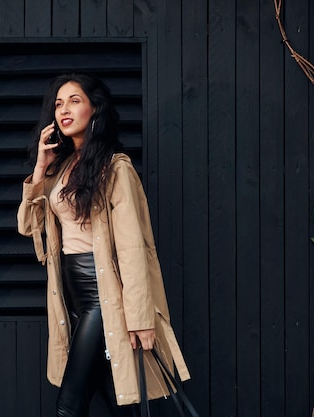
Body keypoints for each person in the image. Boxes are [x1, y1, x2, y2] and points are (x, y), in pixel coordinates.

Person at [17, 73, 190, 417]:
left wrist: (141, 317)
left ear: (95, 108)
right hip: (72, 297)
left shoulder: (115, 168)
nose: (64, 109)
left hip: (103, 295)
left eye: (75, 101)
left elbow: (133, 248)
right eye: (58, 104)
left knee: (69, 405)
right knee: (115, 400)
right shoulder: (61, 168)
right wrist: (40, 168)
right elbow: (28, 226)